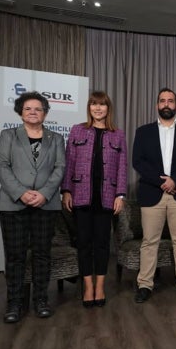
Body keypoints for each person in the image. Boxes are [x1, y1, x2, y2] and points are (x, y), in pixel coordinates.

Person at [0, 91, 65, 323]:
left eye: (38, 108)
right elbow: (2, 167)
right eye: (28, 108)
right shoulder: (8, 136)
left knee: (42, 255)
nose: (33, 112)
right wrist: (22, 193)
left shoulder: (56, 138)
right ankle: (14, 303)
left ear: (45, 113)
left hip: (45, 205)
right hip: (14, 204)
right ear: (20, 112)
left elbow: (59, 168)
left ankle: (41, 300)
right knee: (15, 256)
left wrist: (44, 194)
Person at [132, 88, 176, 303]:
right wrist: (164, 182)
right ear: (157, 105)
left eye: (171, 101)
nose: (166, 104)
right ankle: (145, 284)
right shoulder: (143, 131)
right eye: (162, 101)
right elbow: (138, 161)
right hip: (152, 193)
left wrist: (175, 181)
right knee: (149, 241)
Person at [61, 91, 127, 308]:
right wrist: (67, 190)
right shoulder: (77, 130)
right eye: (94, 104)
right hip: (81, 196)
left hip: (107, 197)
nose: (98, 108)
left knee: (102, 244)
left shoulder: (118, 134)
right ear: (89, 108)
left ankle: (100, 286)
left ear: (108, 108)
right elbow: (69, 162)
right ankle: (87, 286)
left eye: (102, 105)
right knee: (84, 244)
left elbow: (122, 168)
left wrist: (120, 194)